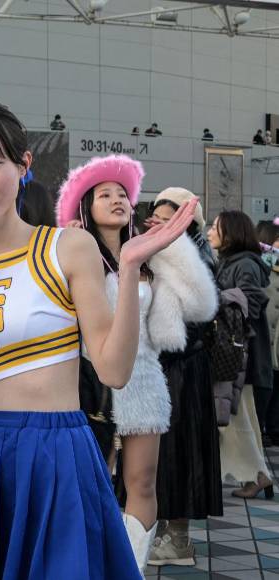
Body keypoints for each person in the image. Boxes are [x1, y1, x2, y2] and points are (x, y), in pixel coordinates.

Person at [0, 102, 195, 578]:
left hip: (53, 454)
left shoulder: (67, 248)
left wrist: (132, 265)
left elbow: (113, 370)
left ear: (23, 165)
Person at [57, 159, 217, 570]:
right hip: (88, 382)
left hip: (144, 379)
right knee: (92, 486)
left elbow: (201, 305)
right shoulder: (71, 253)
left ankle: (132, 568)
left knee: (142, 483)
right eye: (104, 194)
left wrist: (173, 244)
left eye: (122, 194)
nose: (117, 200)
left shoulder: (151, 259)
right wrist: (62, 243)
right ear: (83, 208)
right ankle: (93, 564)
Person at [143, 188, 223, 567]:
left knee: (181, 454)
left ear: (186, 220)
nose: (157, 223)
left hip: (184, 371)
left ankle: (178, 539)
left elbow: (199, 314)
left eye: (166, 217)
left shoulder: (194, 259)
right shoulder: (158, 254)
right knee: (163, 457)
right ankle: (164, 533)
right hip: (167, 369)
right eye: (155, 216)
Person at [211, 210, 275, 500]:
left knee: (240, 421)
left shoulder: (244, 265)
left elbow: (248, 305)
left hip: (242, 357)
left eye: (216, 227)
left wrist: (217, 300)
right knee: (241, 421)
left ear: (231, 233)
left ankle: (259, 475)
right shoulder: (234, 262)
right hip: (240, 355)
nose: (211, 232)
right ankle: (257, 475)